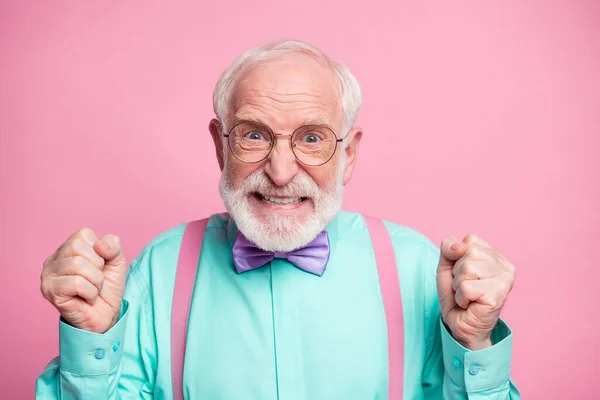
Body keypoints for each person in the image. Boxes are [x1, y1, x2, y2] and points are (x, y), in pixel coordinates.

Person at [36, 40, 520, 399]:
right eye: (253, 135)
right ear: (219, 145)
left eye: (311, 138)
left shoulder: (417, 269)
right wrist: (91, 340)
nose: (281, 171)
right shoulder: (158, 270)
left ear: (348, 154)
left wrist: (474, 343)